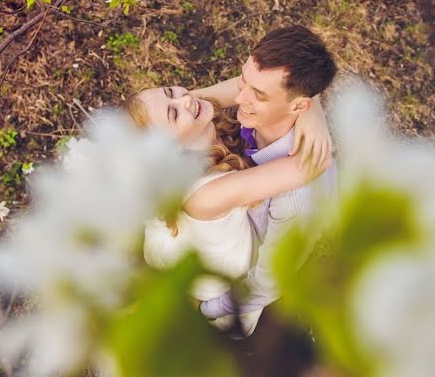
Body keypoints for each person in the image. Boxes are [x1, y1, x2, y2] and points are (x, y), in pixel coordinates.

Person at [125, 86, 320, 334]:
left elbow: (265, 80)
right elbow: (311, 165)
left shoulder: (190, 117)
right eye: (173, 113)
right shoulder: (204, 197)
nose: (184, 99)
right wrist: (312, 112)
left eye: (170, 91)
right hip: (231, 286)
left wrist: (304, 94)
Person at [189, 25, 338, 332]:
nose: (239, 97)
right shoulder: (268, 112)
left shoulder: (297, 197)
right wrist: (184, 101)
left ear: (299, 106)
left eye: (257, 95)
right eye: (243, 81)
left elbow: (268, 282)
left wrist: (207, 308)